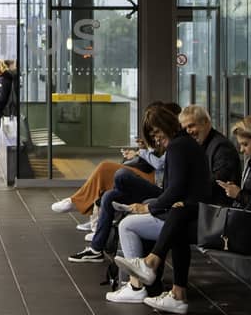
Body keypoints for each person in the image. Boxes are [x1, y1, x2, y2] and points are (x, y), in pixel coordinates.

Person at [116, 114, 251, 312]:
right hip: (247, 226)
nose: (242, 150)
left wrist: (239, 194)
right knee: (180, 210)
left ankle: (163, 278)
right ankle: (163, 280)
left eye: (245, 144)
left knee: (179, 223)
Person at [69, 104, 210, 265]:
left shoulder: (178, 146)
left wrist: (149, 208)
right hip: (178, 205)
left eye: (157, 133)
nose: (156, 139)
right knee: (110, 195)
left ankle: (137, 281)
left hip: (182, 208)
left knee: (127, 222)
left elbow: (174, 187)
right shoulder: (181, 144)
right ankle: (97, 247)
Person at [49, 100, 179, 217]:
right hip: (151, 175)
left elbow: (160, 164)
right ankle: (87, 209)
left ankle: (77, 202)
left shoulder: (175, 143)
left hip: (155, 180)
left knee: (106, 168)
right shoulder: (167, 141)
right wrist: (142, 150)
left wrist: (142, 152)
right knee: (108, 177)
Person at [181, 104, 241, 188]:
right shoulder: (200, 144)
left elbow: (218, 182)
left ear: (205, 122)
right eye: (185, 128)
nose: (188, 131)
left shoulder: (222, 147)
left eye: (191, 126)